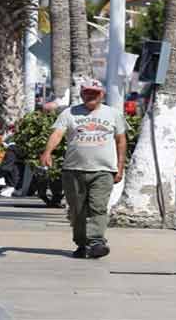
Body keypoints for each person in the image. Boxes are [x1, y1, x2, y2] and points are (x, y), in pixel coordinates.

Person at [41, 78, 127, 259]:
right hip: (73, 169)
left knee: (98, 206)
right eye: (87, 93)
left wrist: (120, 167)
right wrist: (47, 152)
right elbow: (57, 133)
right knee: (77, 210)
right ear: (81, 94)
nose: (91, 96)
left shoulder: (113, 114)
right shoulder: (69, 113)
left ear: (102, 95)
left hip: (103, 170)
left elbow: (121, 141)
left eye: (95, 93)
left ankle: (96, 241)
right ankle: (82, 243)